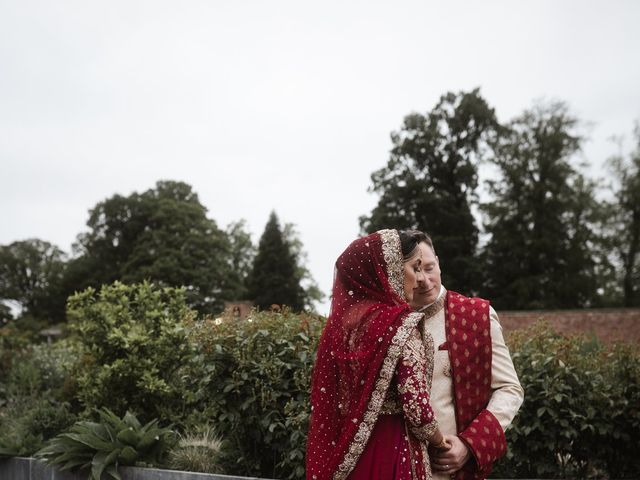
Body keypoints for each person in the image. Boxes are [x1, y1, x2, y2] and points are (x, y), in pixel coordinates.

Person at [307, 229, 451, 480]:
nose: (419, 279)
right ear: (391, 269)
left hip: (349, 453)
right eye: (414, 268)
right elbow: (417, 410)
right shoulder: (400, 324)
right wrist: (439, 441)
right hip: (393, 451)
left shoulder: (344, 326)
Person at [406, 230, 524, 480]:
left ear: (438, 261)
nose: (425, 280)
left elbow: (510, 390)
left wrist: (470, 444)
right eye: (416, 272)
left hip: (454, 472)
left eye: (429, 268)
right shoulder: (386, 323)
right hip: (397, 469)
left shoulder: (476, 315)